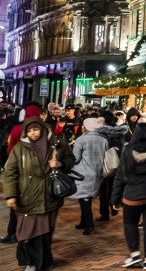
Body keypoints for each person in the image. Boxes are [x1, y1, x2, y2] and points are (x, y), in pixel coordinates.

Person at [2, 115, 76, 271]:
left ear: (42, 128)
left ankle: (44, 260)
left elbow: (71, 159)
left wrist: (60, 163)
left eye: (36, 129)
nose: (33, 133)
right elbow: (9, 172)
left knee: (46, 231)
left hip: (50, 197)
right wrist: (11, 195)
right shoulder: (20, 148)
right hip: (27, 197)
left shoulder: (57, 143)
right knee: (27, 232)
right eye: (29, 131)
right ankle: (31, 262)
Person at [111, 125, 146, 270]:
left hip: (133, 196)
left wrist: (115, 199)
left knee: (130, 223)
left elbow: (120, 176)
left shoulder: (128, 150)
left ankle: (135, 253)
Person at [2, 103, 44, 245]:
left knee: (16, 203)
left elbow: (10, 149)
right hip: (39, 174)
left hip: (20, 171)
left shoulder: (17, 129)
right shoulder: (45, 130)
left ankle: (13, 232)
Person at [69, 116, 109, 235]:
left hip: (84, 173)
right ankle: (83, 222)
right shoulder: (103, 139)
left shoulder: (81, 140)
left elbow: (75, 158)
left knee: (85, 199)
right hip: (98, 172)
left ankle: (89, 225)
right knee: (87, 198)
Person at [96, 110, 126, 223]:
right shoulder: (120, 131)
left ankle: (104, 214)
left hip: (104, 163)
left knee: (103, 189)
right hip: (117, 162)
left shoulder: (100, 132)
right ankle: (114, 206)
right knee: (115, 186)